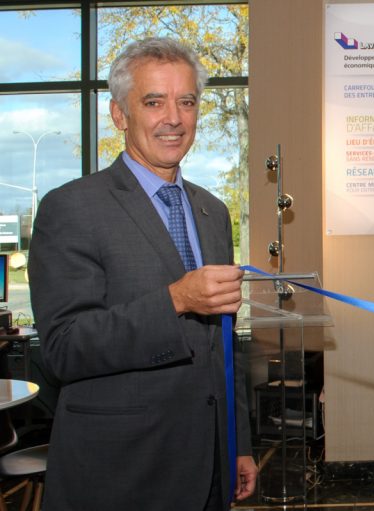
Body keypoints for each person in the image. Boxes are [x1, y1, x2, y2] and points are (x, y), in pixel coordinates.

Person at [28, 37, 257, 511]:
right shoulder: (71, 207)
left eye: (186, 102)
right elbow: (63, 349)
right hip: (119, 474)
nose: (174, 118)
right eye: (154, 102)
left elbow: (222, 346)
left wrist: (238, 442)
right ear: (119, 115)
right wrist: (175, 301)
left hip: (209, 467)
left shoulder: (213, 212)